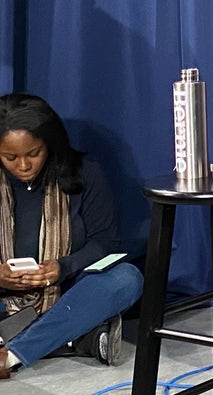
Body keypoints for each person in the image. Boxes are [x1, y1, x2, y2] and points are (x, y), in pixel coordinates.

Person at [0, 93, 143, 377]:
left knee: (126, 278)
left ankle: (13, 354)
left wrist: (62, 268)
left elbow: (106, 244)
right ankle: (78, 337)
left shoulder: (85, 174)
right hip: (6, 296)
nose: (24, 166)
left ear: (50, 146)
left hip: (68, 290)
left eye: (33, 153)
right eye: (10, 157)